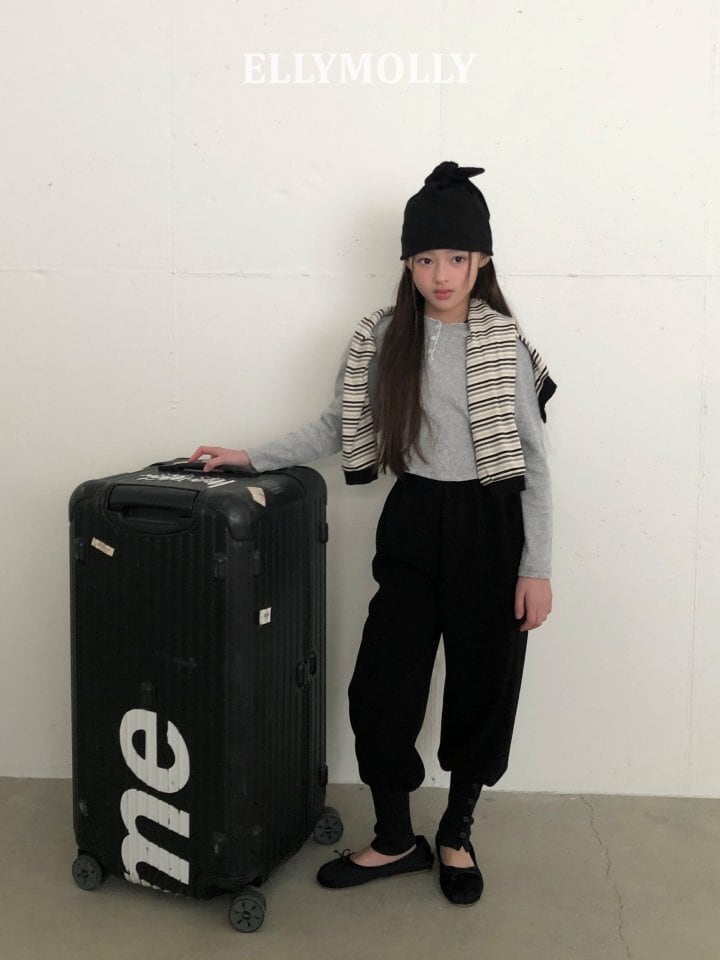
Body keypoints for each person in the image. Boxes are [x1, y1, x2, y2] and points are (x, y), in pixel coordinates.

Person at [190, 161, 556, 906]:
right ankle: (395, 837)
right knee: (382, 687)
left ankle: (455, 833)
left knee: (484, 686)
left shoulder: (503, 343)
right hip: (414, 519)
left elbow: (535, 459)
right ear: (408, 264)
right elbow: (337, 424)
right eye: (425, 259)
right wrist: (252, 456)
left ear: (482, 261)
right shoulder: (383, 337)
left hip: (491, 524)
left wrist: (536, 566)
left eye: (456, 257)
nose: (440, 274)